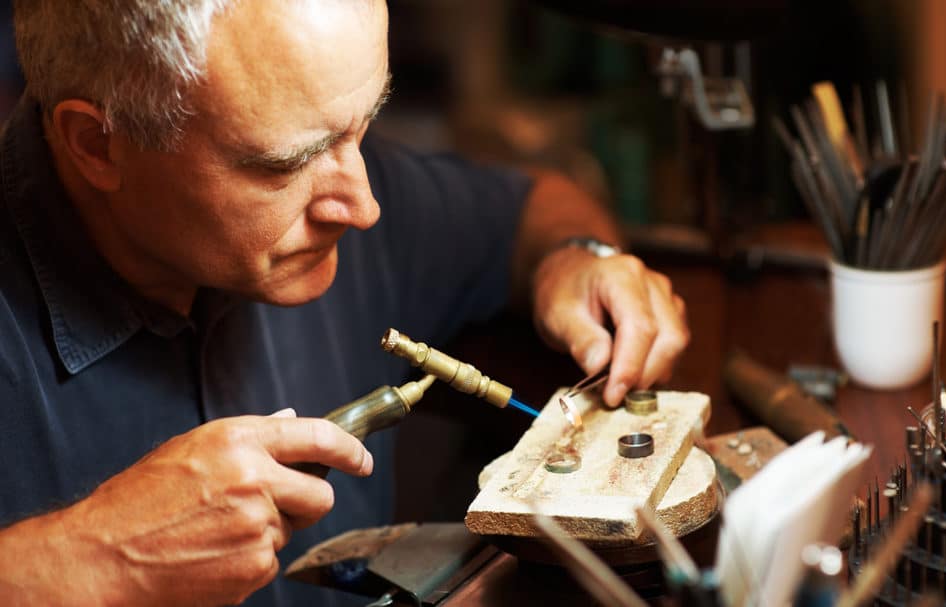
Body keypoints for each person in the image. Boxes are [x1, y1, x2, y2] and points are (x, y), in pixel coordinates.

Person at [0, 1, 689, 605]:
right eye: (285, 164)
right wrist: (94, 559)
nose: (363, 207)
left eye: (364, 128)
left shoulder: (329, 171)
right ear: (97, 144)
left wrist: (581, 257)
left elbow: (532, 209)